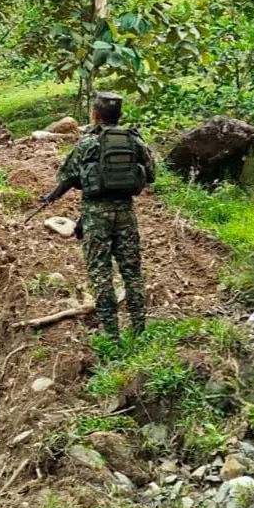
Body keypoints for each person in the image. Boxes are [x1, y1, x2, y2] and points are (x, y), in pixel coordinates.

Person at [39, 92, 156, 338]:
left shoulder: (87, 143)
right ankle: (139, 330)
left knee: (100, 273)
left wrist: (51, 196)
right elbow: (151, 174)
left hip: (95, 215)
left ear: (96, 114)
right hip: (126, 213)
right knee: (132, 272)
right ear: (120, 115)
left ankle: (112, 335)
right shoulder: (134, 141)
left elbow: (68, 177)